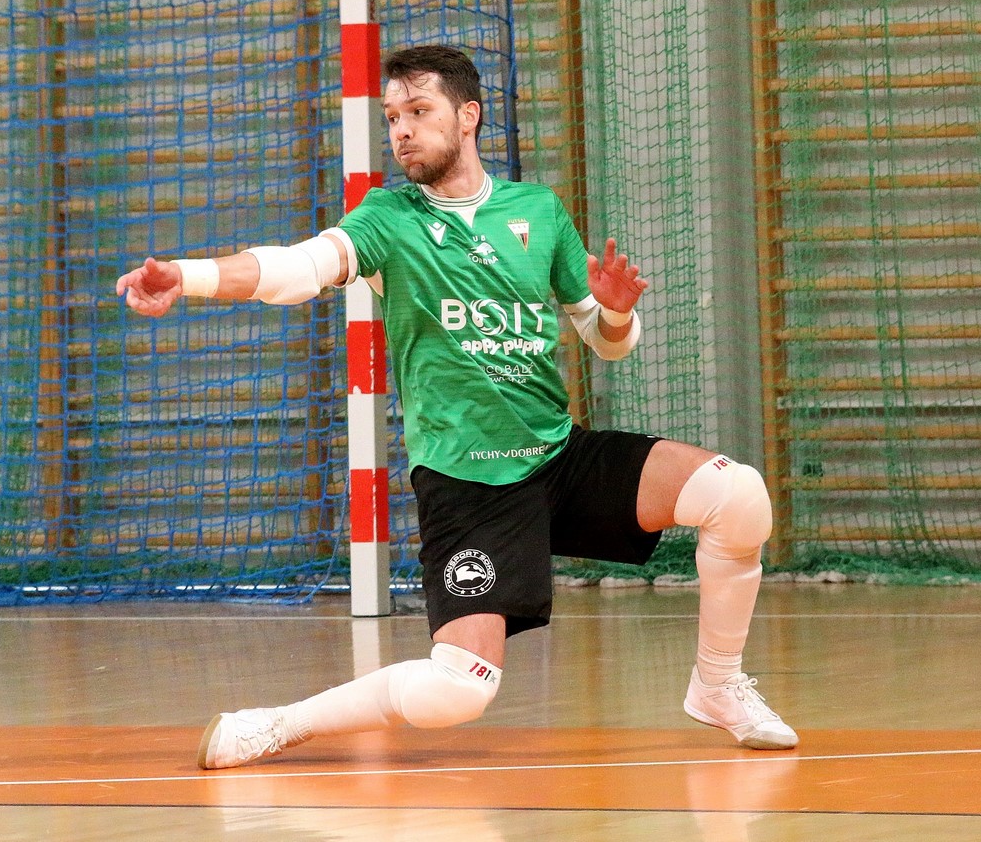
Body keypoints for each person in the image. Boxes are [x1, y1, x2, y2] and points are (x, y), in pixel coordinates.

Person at [117, 44, 797, 769]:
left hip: (555, 456)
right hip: (469, 484)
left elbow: (606, 343)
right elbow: (296, 268)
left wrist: (619, 313)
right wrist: (186, 276)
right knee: (459, 689)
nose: (402, 130)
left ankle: (717, 686)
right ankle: (275, 723)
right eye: (392, 117)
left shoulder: (536, 210)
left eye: (419, 111)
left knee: (738, 495)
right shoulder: (388, 218)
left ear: (467, 116)